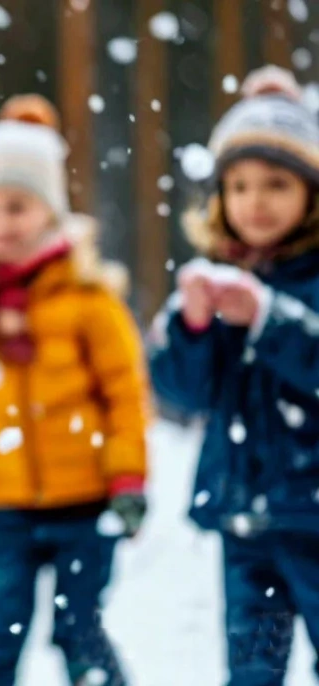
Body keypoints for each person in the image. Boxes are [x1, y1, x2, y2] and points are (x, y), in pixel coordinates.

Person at [0, 94, 149, 686]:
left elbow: (125, 393)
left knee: (78, 626)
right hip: (9, 507)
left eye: (18, 205)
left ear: (51, 211)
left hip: (87, 501)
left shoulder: (89, 301)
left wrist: (128, 477)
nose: (2, 222)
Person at [148, 65, 319, 686]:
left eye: (277, 182)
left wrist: (269, 321)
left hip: (314, 515)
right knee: (251, 670)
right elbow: (180, 393)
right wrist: (194, 327)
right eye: (239, 185)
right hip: (245, 525)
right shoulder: (212, 280)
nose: (256, 200)